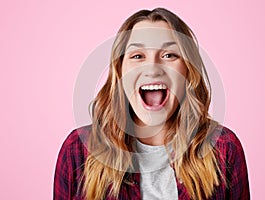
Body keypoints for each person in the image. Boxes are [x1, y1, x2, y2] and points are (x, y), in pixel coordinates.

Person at [54, 8, 250, 200]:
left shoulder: (224, 148)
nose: (153, 69)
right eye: (137, 56)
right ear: (120, 73)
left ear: (188, 71)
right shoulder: (78, 150)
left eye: (169, 55)